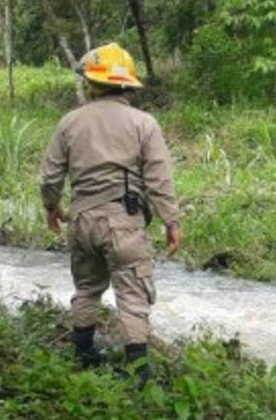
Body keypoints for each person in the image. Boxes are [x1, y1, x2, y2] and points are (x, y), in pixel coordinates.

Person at [39, 42, 182, 383]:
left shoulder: (69, 122)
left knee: (87, 288)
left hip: (82, 220)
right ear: (125, 82)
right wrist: (171, 221)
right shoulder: (143, 123)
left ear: (91, 82)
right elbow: (158, 178)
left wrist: (52, 208)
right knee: (132, 295)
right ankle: (139, 373)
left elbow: (50, 177)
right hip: (124, 222)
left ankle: (84, 355)